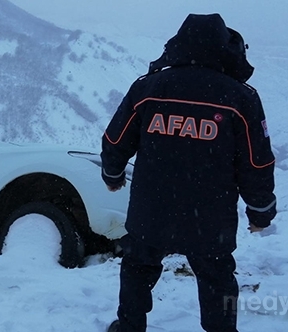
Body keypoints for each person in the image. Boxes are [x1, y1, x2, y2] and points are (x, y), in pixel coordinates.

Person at [101, 14, 276, 332]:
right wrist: (260, 210)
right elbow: (257, 162)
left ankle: (128, 327)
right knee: (217, 277)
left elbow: (115, 139)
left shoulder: (148, 88)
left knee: (137, 268)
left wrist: (112, 175)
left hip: (151, 209)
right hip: (210, 216)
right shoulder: (240, 98)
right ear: (225, 49)